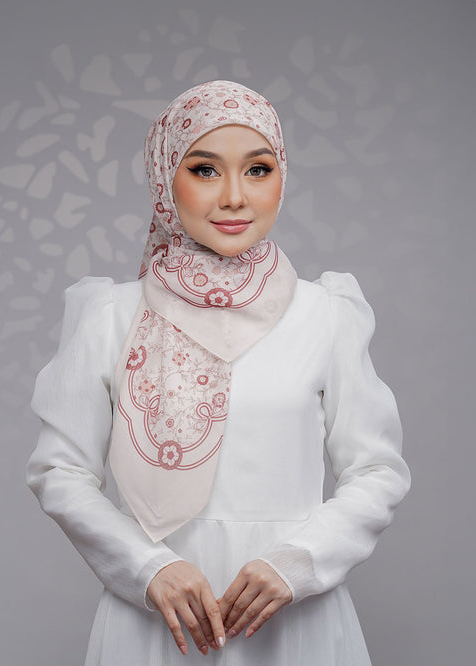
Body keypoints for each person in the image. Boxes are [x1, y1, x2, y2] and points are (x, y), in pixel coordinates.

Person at [26, 80, 411, 665]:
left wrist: (298, 562)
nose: (234, 196)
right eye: (205, 170)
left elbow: (377, 469)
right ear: (164, 179)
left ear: (282, 177)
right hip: (158, 617)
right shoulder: (111, 315)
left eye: (258, 170)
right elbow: (60, 471)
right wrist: (148, 567)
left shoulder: (326, 314)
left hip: (292, 615)